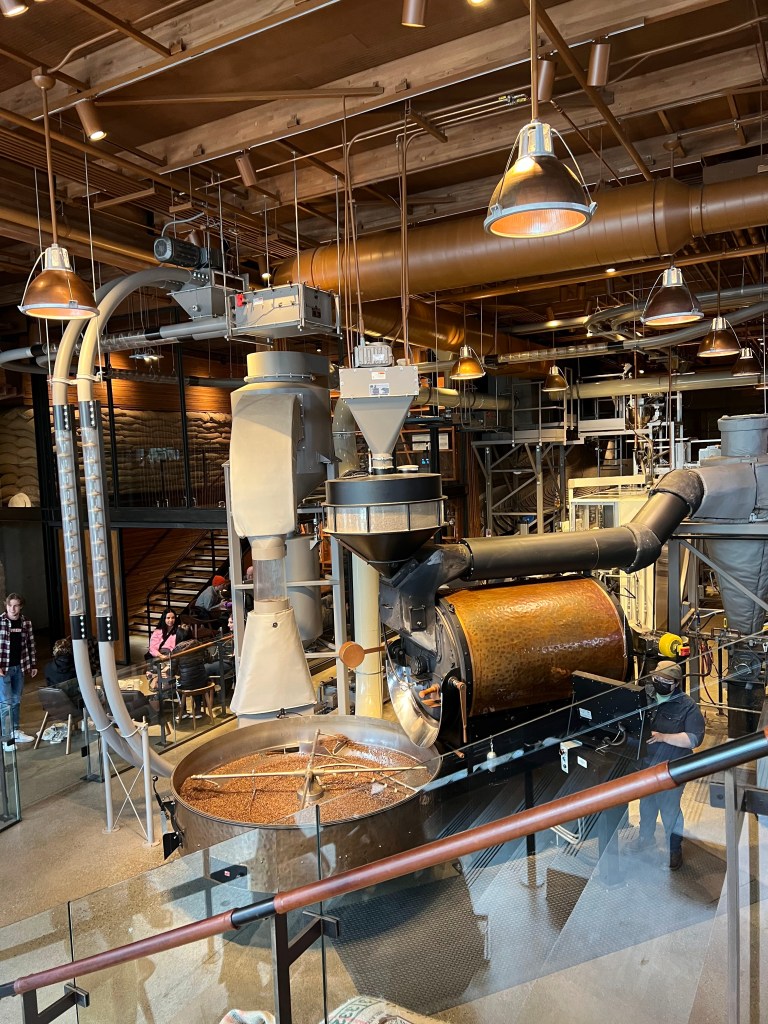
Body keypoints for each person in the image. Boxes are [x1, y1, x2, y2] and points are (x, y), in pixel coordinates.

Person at [630, 660, 706, 870]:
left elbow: (693, 739)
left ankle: (674, 850)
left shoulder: (687, 706)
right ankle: (645, 839)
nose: (660, 683)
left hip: (672, 766)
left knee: (669, 809)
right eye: (657, 678)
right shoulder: (645, 695)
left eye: (666, 681)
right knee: (646, 805)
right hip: (647, 764)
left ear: (677, 683)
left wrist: (663, 737)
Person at [0, 592, 37, 743]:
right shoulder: (1, 622)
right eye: (10, 605)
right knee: (5, 703)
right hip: (4, 668)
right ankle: (6, 738)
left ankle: (15, 731)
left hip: (19, 667)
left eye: (15, 606)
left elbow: (31, 644)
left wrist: (33, 664)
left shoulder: (26, 622)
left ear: (21, 606)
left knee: (16, 700)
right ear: (6, 605)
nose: (12, 609)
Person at [173, 628, 210, 720]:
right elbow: (208, 659)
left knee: (177, 684)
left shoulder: (177, 649)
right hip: (203, 680)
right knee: (195, 681)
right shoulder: (199, 644)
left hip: (187, 683)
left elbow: (173, 669)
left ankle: (183, 711)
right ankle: (198, 710)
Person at [146, 609, 182, 690]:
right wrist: (161, 655)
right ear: (164, 619)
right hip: (161, 655)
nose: (171, 620)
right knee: (162, 666)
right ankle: (162, 684)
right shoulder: (157, 632)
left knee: (167, 668)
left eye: (173, 618)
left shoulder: (179, 631)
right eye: (168, 618)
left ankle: (159, 681)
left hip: (174, 656)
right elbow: (152, 648)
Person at [44, 637, 81, 704]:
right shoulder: (78, 667)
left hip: (57, 703)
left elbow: (49, 687)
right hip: (77, 702)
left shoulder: (48, 668)